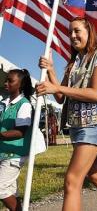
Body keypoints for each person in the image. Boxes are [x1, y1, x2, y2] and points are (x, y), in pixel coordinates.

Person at [36, 17, 97, 211]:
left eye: (77, 31)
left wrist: (56, 87)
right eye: (70, 32)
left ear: (89, 32)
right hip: (78, 127)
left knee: (72, 180)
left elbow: (95, 94)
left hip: (94, 125)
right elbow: (60, 97)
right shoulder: (74, 62)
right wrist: (51, 70)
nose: (72, 36)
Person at [0, 69, 33, 211]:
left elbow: (20, 132)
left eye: (10, 81)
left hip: (15, 154)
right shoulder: (4, 103)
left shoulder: (24, 104)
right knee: (11, 190)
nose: (6, 83)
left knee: (1, 189)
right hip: (4, 152)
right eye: (6, 80)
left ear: (20, 84)